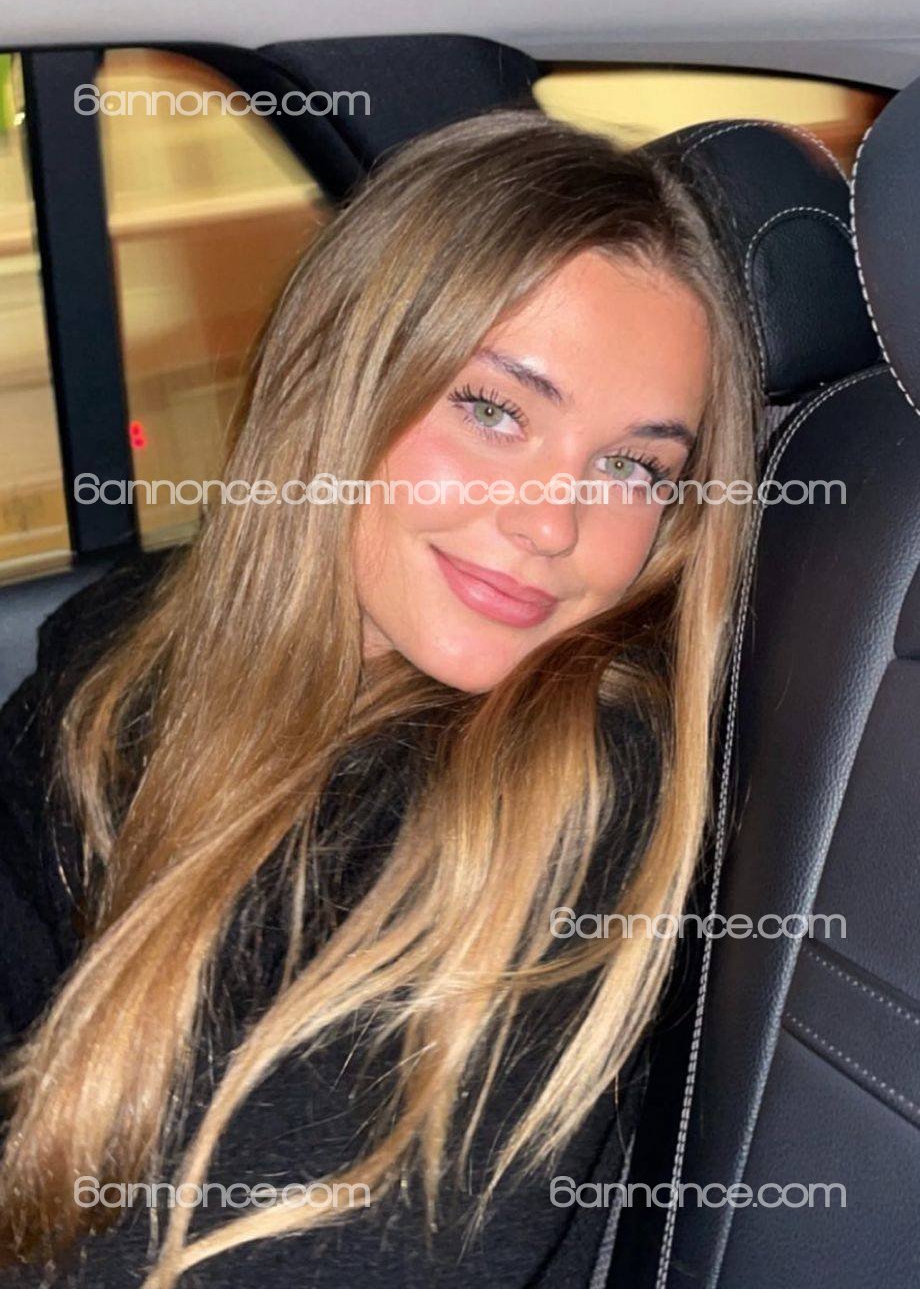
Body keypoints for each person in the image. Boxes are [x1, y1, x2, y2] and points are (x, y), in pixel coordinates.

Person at [0, 110, 758, 1287]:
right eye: (494, 409)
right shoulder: (118, 660)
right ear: (336, 375)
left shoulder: (568, 797)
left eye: (630, 466)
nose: (549, 522)